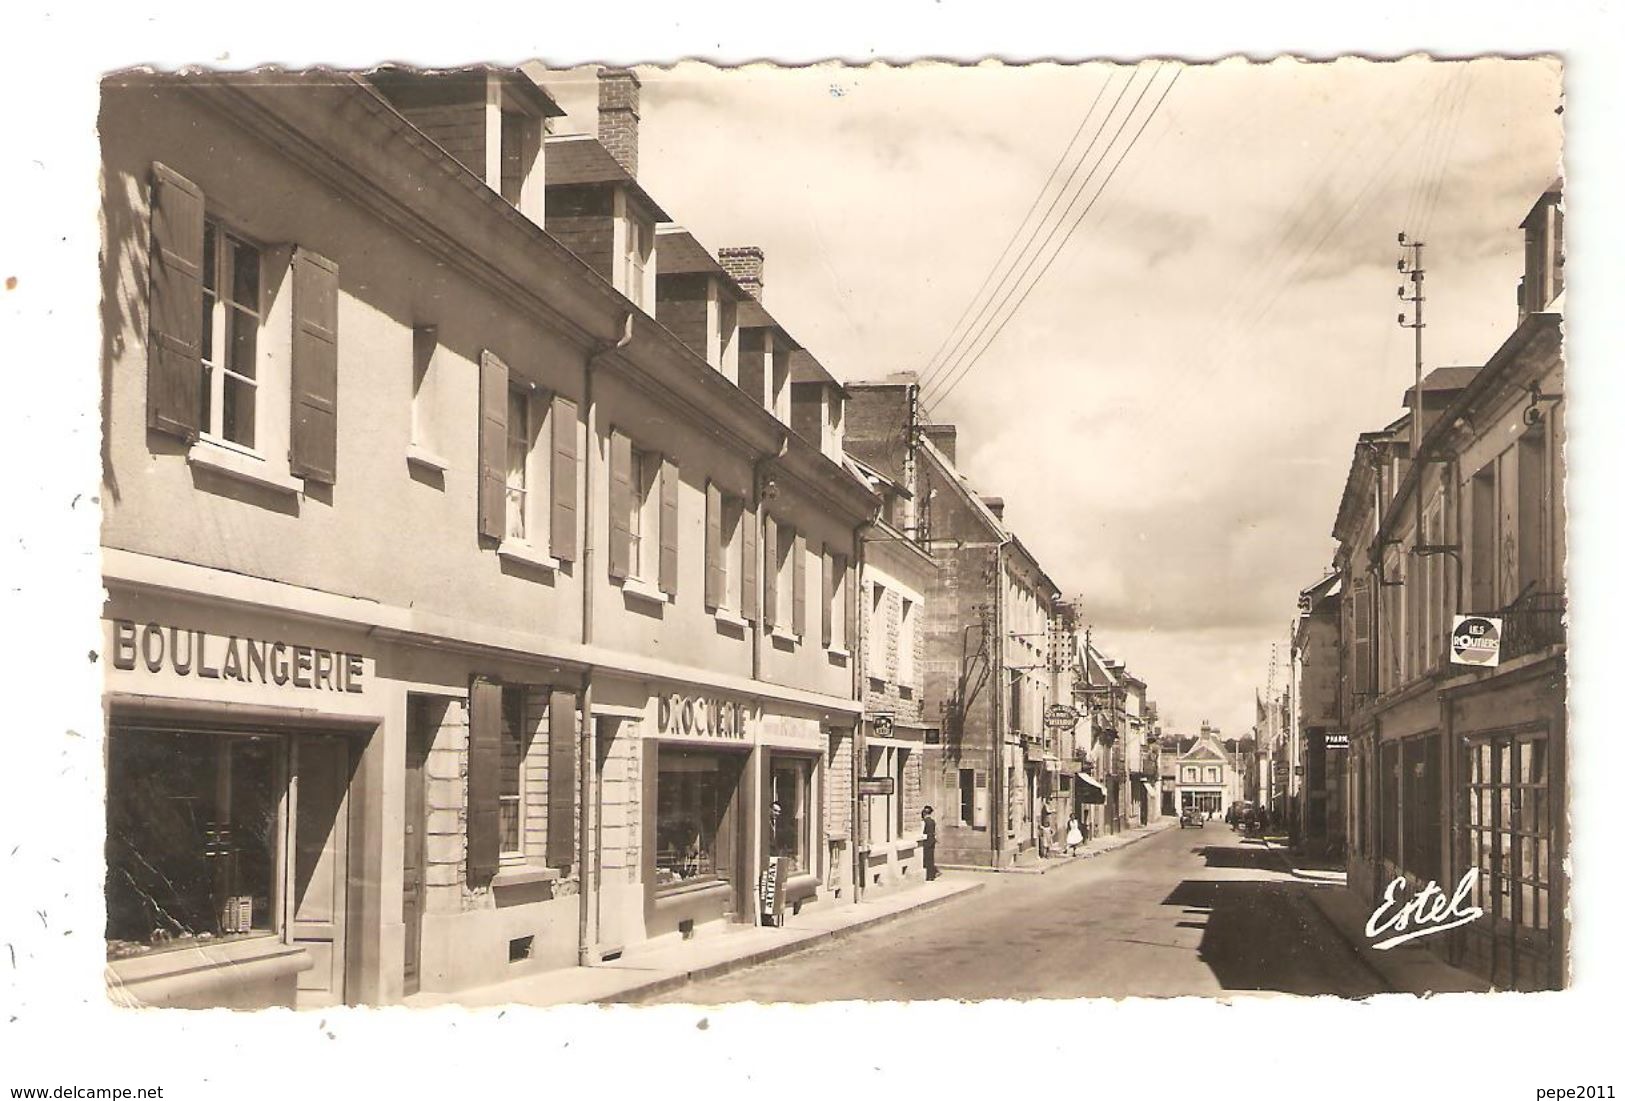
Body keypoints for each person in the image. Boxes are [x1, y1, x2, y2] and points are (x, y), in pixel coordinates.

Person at [921, 805, 938, 880]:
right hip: (932, 841)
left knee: (926, 858)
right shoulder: (933, 821)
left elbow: (923, 832)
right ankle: (931, 876)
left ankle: (927, 876)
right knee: (931, 858)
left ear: (924, 813)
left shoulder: (924, 822)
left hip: (926, 841)